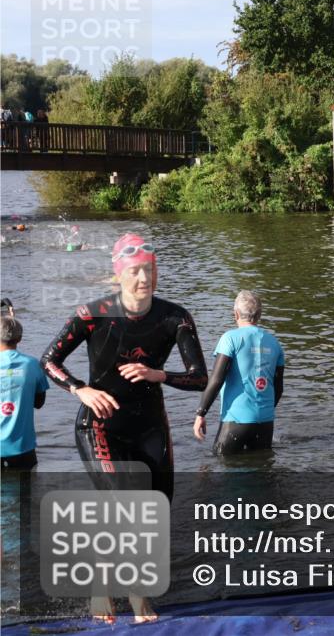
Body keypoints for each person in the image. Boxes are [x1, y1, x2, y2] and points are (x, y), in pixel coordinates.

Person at [40, 233, 207, 623]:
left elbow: (200, 378)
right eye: (135, 272)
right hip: (100, 426)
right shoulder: (92, 313)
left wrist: (157, 373)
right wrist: (80, 389)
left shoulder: (175, 317)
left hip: (149, 425)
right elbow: (49, 360)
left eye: (149, 270)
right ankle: (118, 592)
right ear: (119, 275)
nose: (143, 279)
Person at [193, 291, 284, 455]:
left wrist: (201, 413)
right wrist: (265, 410)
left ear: (235, 314)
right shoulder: (275, 343)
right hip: (265, 422)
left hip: (235, 420)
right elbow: (278, 388)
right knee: (261, 472)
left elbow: (216, 379)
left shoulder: (230, 339)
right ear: (259, 315)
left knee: (220, 464)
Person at [1, 304, 49, 470]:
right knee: (25, 494)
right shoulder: (32, 364)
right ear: (20, 339)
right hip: (22, 449)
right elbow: (39, 403)